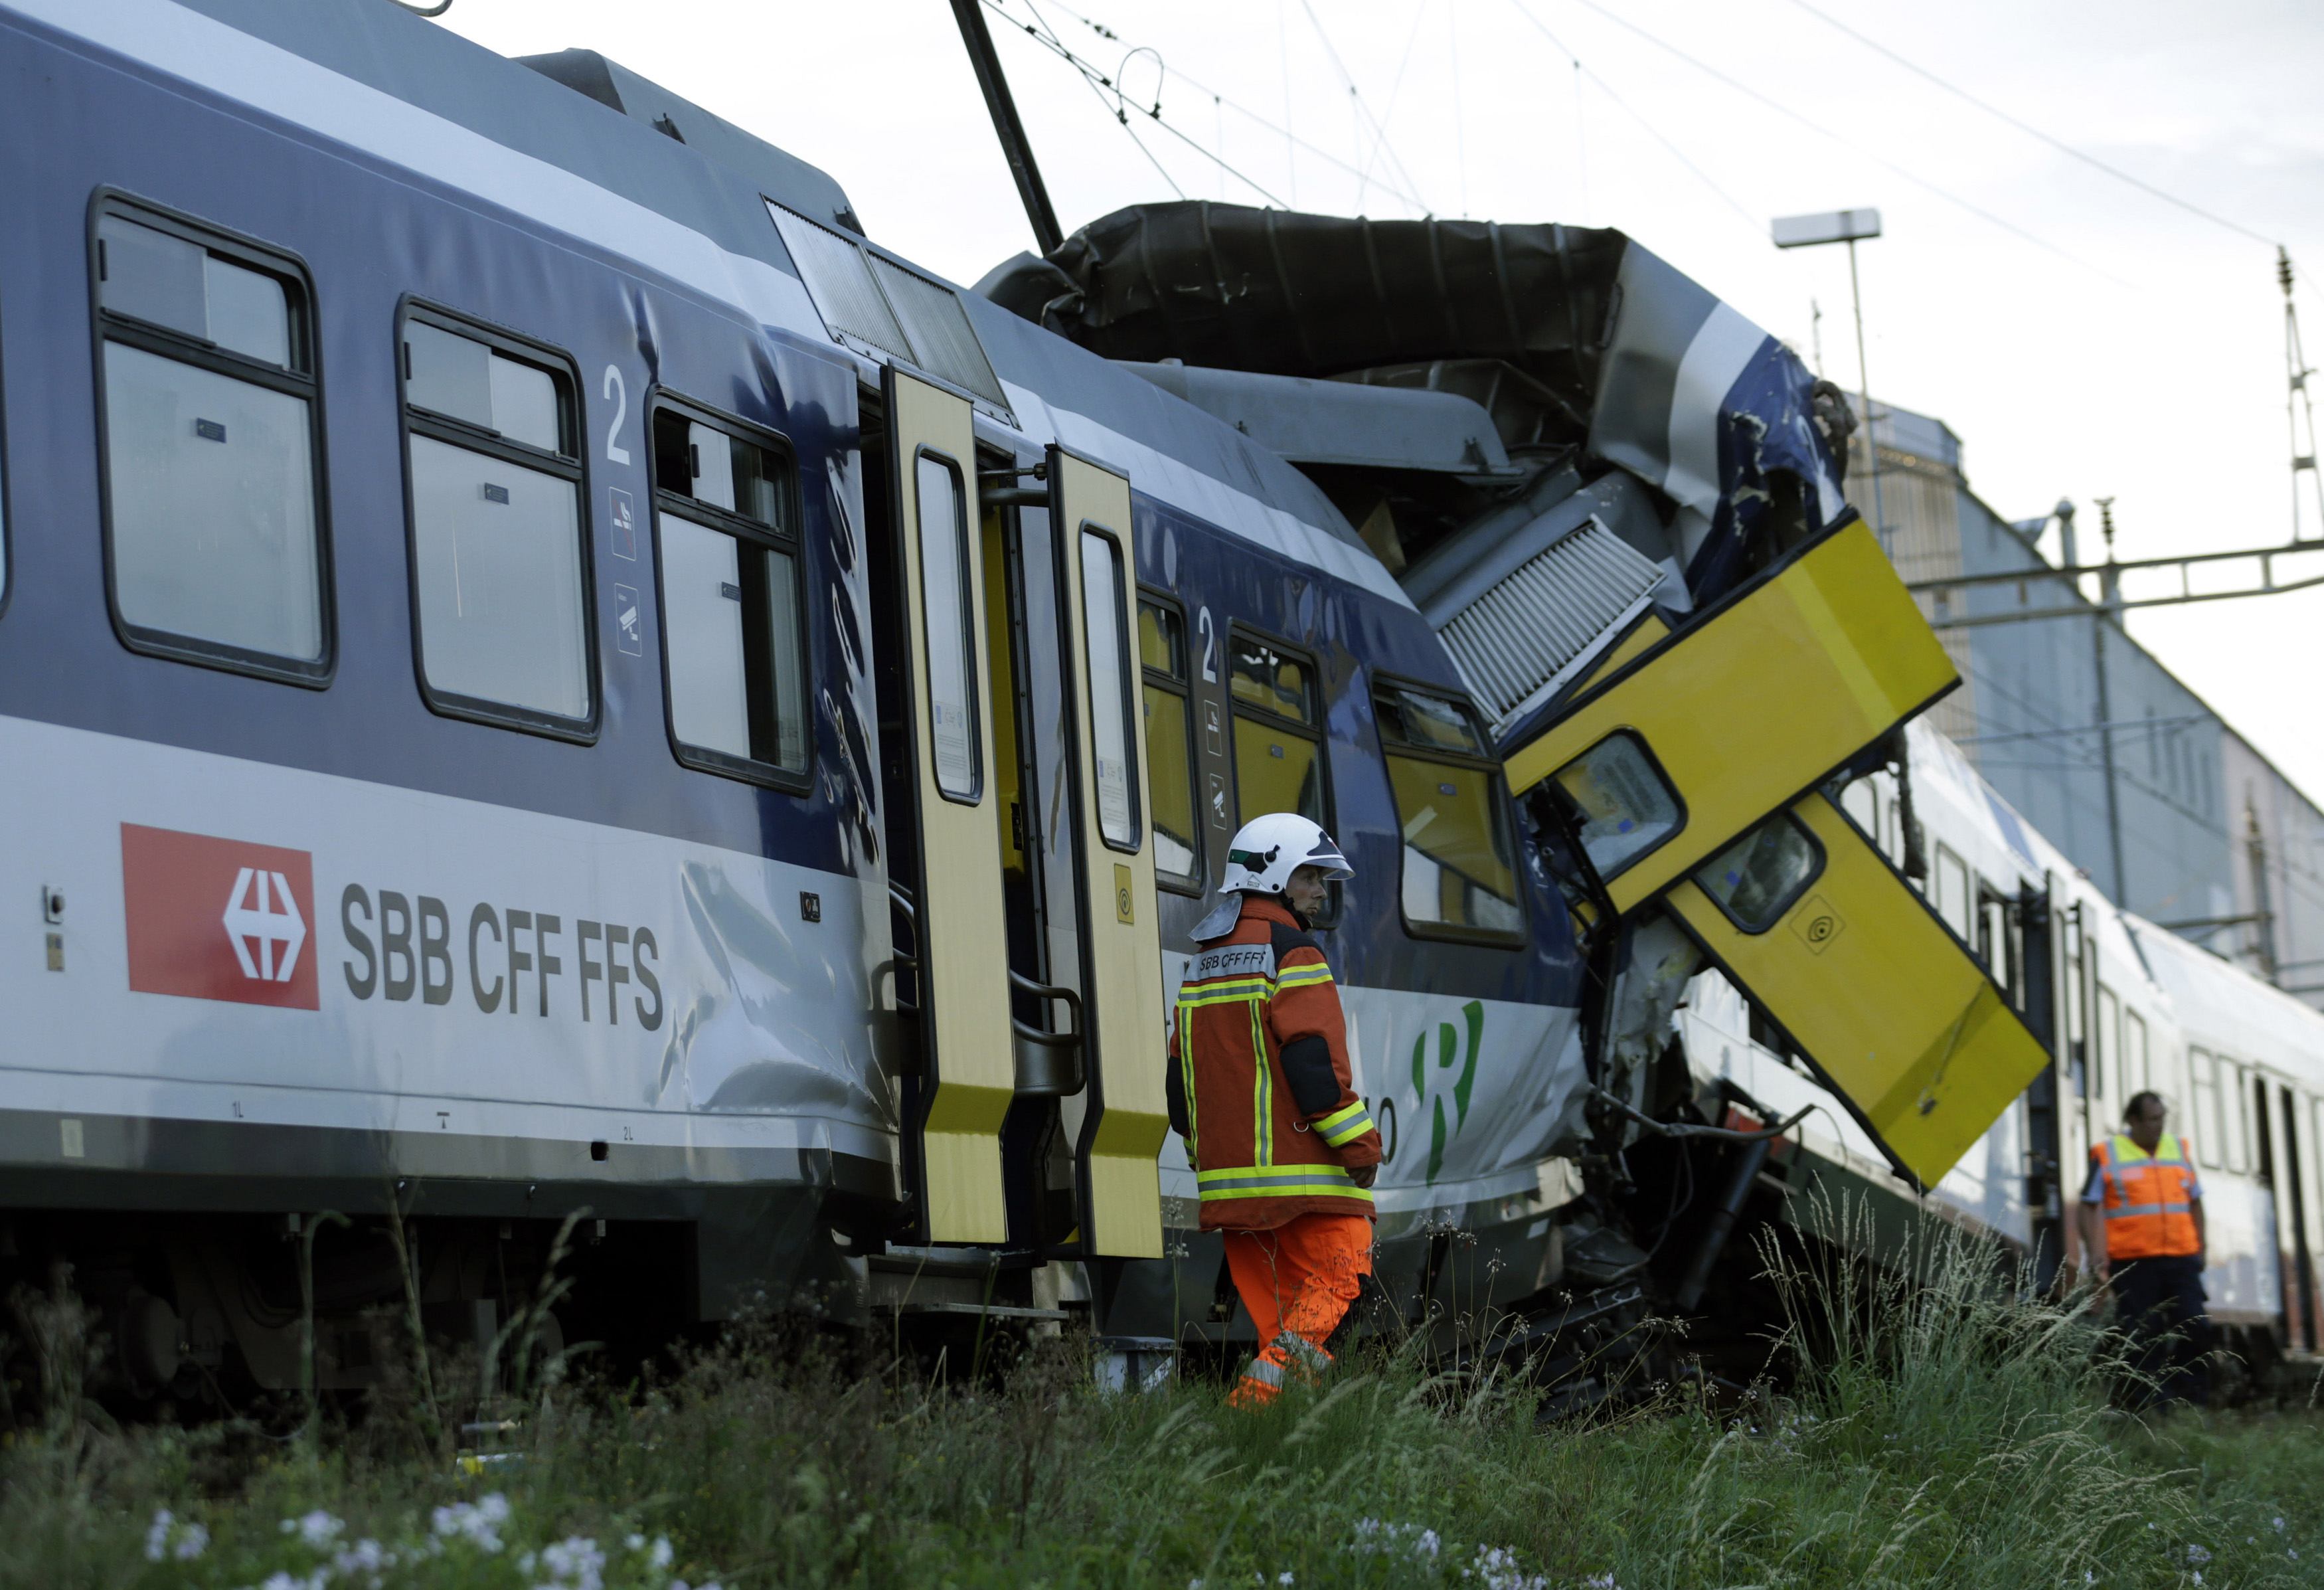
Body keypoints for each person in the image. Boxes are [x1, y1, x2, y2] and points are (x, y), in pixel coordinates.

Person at [1166, 813, 1383, 1407]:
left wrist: (1204, 1159)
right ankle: (1250, 1407)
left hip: (1230, 1187)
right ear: (1276, 877)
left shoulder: (1202, 963)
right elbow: (1313, 1068)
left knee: (1282, 1328)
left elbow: (1180, 1084)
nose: (1319, 891)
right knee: (1342, 1269)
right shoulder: (1295, 952)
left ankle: (1276, 1434)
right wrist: (1361, 1147)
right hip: (1302, 1180)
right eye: (1310, 876)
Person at [2078, 1090, 2210, 1408]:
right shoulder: (2109, 1154)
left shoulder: (2177, 1150)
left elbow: (2195, 1201)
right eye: (2152, 1119)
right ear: (2133, 1121)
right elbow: (2087, 1206)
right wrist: (2097, 1257)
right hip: (2134, 1262)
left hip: (2181, 1258)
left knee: (2197, 1326)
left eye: (2162, 1118)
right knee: (2141, 1335)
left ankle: (2188, 1398)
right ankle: (2147, 1406)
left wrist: (2202, 1246)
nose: (2159, 1126)